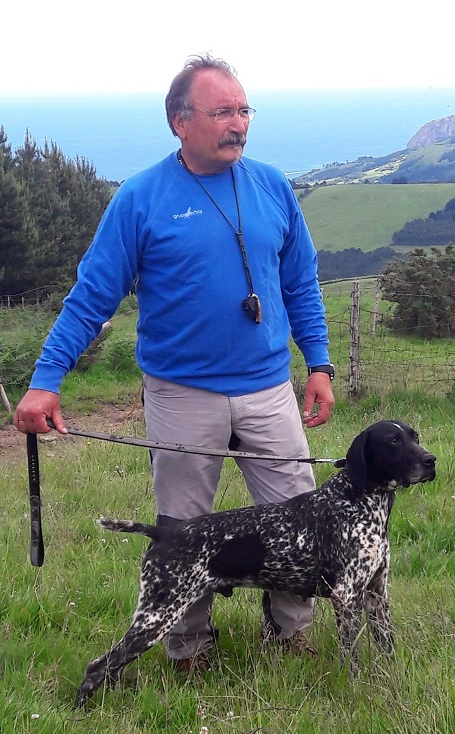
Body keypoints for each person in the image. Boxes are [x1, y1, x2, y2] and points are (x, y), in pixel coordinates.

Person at [14, 53, 334, 671]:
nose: (238, 123)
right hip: (182, 394)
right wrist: (45, 382)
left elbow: (302, 282)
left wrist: (317, 364)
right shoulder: (141, 198)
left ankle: (289, 629)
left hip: (269, 388)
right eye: (222, 111)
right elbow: (91, 297)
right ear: (179, 122)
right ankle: (187, 647)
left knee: (298, 515)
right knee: (182, 528)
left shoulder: (272, 185)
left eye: (244, 109)